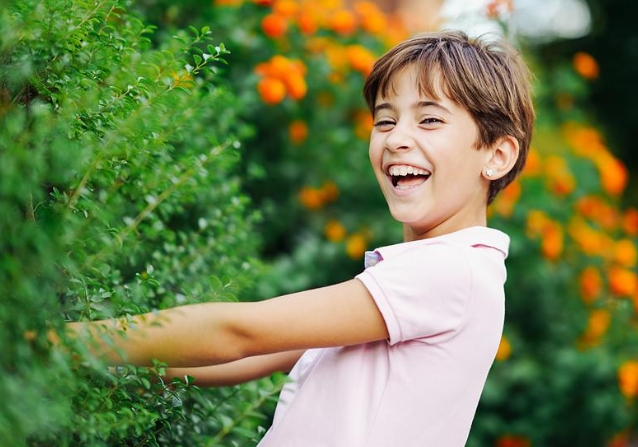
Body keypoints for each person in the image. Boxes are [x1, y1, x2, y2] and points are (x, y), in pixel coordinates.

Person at [67, 29, 535, 447]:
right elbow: (248, 357)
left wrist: (64, 343)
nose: (396, 139)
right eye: (386, 120)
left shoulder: (451, 271)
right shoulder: (432, 276)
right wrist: (104, 369)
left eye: (429, 120)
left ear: (496, 155)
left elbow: (241, 333)